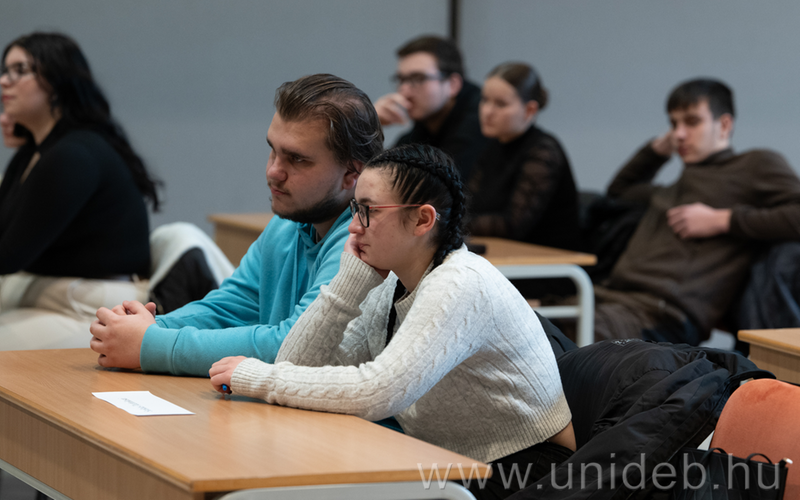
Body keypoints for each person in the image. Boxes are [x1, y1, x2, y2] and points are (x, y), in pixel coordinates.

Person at [209, 144, 575, 500]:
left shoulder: (460, 284)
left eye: (368, 211)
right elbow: (297, 364)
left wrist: (258, 376)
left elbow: (377, 391)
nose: (353, 227)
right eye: (354, 209)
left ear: (422, 220)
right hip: (453, 462)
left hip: (527, 469)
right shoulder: (393, 280)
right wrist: (348, 285)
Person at [89, 74, 384, 376]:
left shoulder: (364, 241)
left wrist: (151, 344)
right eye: (273, 150)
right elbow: (229, 308)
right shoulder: (286, 226)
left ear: (352, 174)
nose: (274, 171)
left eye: (297, 159)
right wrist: (143, 327)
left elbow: (294, 344)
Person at [595, 78, 800, 345]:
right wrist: (659, 149)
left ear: (724, 125)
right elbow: (618, 193)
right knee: (541, 325)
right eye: (673, 124)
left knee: (550, 342)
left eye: (692, 122)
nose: (679, 134)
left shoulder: (753, 165)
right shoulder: (675, 188)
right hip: (607, 298)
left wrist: (723, 220)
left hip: (659, 315)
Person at [0, 32, 159, 350]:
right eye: (5, 70)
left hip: (93, 306)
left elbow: (9, 255)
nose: (5, 81)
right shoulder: (34, 151)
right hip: (52, 293)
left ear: (57, 80)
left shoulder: (73, 154)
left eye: (20, 70)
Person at [468, 62, 581, 251]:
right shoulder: (492, 147)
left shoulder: (544, 150)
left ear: (530, 110)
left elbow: (512, 225)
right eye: (485, 100)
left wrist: (448, 223)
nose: (487, 111)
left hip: (551, 261)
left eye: (500, 104)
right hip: (505, 255)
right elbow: (467, 204)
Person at [373, 35, 489, 180]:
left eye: (418, 78)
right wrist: (371, 126)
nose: (405, 91)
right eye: (401, 79)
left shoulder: (479, 119)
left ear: (453, 84)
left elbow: (439, 183)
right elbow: (384, 172)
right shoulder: (427, 120)